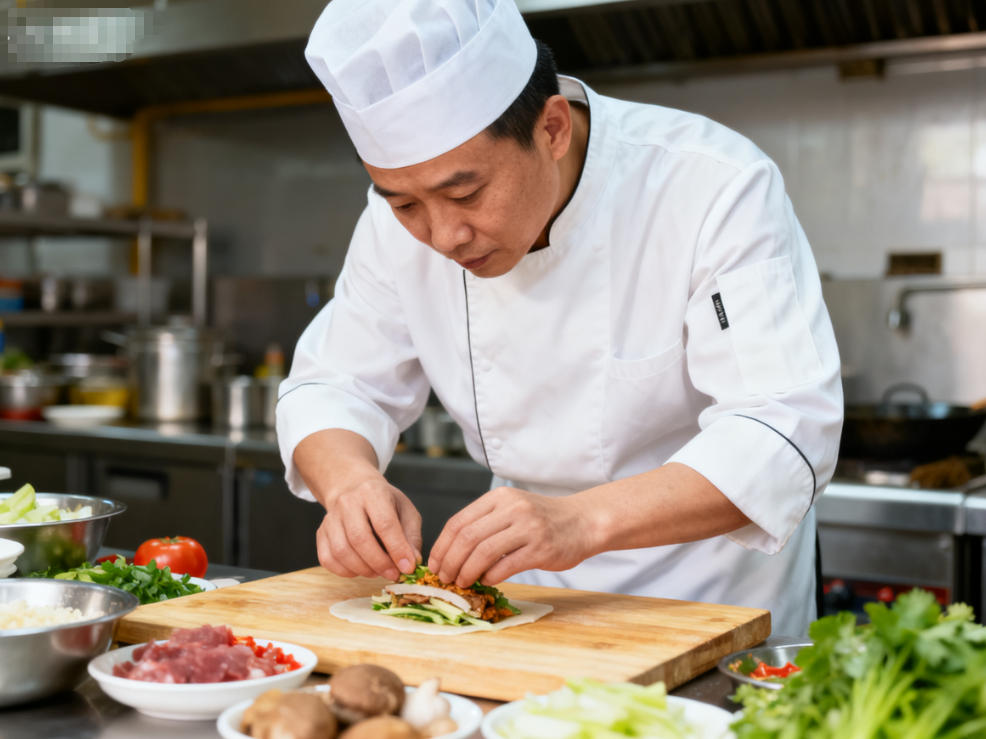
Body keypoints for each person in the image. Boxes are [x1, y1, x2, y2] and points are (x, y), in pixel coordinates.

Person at [277, 0, 843, 636]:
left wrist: (578, 521)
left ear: (551, 129)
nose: (442, 235)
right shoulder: (394, 226)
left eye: (465, 194)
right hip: (521, 608)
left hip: (711, 602)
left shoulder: (710, 184)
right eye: (406, 203)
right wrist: (350, 484)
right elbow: (337, 384)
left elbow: (783, 427)